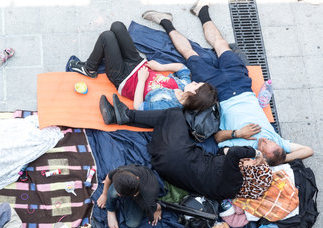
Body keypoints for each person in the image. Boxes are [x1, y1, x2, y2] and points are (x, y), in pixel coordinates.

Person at [141, 2, 313, 166]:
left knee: (190, 55)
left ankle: (165, 21)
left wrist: (238, 135)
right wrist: (282, 158)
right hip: (241, 85)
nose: (266, 138)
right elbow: (308, 150)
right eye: (269, 141)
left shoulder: (244, 149)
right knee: (221, 44)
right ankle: (202, 11)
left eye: (264, 143)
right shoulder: (277, 142)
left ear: (261, 154)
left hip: (218, 93)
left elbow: (217, 141)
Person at [99, 96, 273, 201]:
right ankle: (121, 116)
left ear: (252, 177)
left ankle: (127, 115)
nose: (252, 163)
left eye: (255, 166)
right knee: (167, 121)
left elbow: (234, 152)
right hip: (162, 164)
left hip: (178, 154)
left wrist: (256, 153)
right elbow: (222, 153)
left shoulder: (235, 178)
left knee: (175, 114)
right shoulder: (228, 191)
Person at [69, 21, 217, 112]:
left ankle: (89, 69)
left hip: (124, 79)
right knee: (118, 26)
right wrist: (160, 67)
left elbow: (139, 107)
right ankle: (111, 54)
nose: (194, 82)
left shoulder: (169, 105)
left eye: (196, 85)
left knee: (107, 37)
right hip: (138, 64)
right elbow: (182, 68)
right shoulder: (184, 84)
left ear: (194, 95)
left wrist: (141, 80)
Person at [97, 164, 162, 228]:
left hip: (146, 187)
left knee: (132, 223)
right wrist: (104, 194)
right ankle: (110, 210)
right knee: (113, 190)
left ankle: (119, 189)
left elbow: (157, 207)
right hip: (138, 174)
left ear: (120, 195)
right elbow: (109, 176)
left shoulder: (147, 201)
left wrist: (158, 210)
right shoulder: (123, 172)